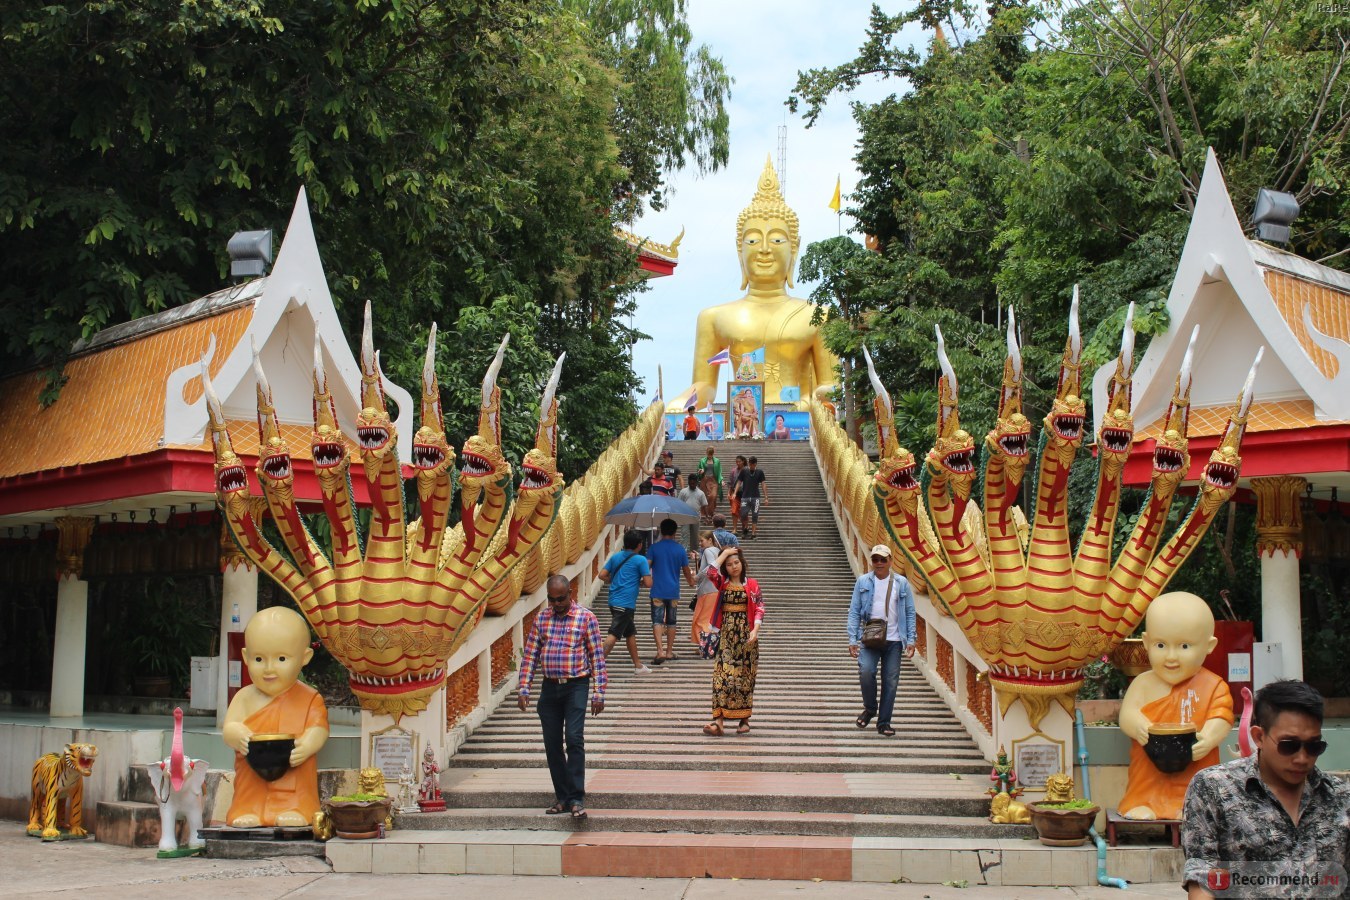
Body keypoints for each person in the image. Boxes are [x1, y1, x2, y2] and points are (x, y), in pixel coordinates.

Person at [669, 156, 838, 411]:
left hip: (797, 413)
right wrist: (682, 402)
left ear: (795, 250)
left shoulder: (818, 315)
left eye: (778, 240)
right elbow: (705, 385)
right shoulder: (714, 317)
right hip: (740, 411)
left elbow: (830, 385)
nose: (765, 249)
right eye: (752, 241)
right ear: (740, 252)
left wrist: (820, 395)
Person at [1181, 680, 1349, 899]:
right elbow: (1202, 879)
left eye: (1314, 746)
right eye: (1289, 745)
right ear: (1259, 737)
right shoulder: (1214, 788)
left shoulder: (1340, 797)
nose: (1302, 758)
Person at [1118, 591, 1234, 821]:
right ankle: (1142, 802)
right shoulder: (1142, 683)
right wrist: (1137, 725)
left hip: (1195, 760)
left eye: (1184, 647)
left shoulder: (1214, 685)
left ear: (1209, 646)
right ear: (1146, 642)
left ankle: (1193, 806)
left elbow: (1222, 716)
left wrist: (1209, 738)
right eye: (1160, 645)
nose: (1171, 657)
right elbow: (1127, 715)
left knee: (1198, 785)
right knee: (1145, 782)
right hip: (1150, 763)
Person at [222, 606, 329, 827]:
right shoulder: (244, 698)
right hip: (252, 771)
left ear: (305, 657)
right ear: (245, 656)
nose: (269, 669)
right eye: (259, 659)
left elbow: (318, 728)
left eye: (281, 659)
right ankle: (247, 810)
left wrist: (307, 745)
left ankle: (298, 808)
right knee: (248, 789)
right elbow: (229, 728)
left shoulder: (310, 698)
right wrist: (238, 734)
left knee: (298, 780)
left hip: (293, 770)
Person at [517, 575, 608, 820]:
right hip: (549, 687)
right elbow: (531, 655)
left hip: (576, 684)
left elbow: (597, 657)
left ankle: (577, 797)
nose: (557, 604)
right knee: (552, 744)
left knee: (574, 739)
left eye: (561, 598)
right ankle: (562, 797)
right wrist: (524, 687)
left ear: (571, 593)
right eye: (552, 599)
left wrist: (599, 692)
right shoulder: (542, 618)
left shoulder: (586, 617)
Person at [846, 545, 916, 737]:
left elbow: (910, 612)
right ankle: (870, 708)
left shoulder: (901, 583)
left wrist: (911, 639)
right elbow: (853, 611)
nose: (879, 563)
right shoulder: (863, 582)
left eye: (883, 559)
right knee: (866, 671)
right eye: (875, 559)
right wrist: (852, 639)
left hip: (894, 639)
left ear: (890, 561)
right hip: (870, 637)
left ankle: (884, 722)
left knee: (890, 682)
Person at [701, 545, 763, 736]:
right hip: (726, 636)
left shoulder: (751, 584)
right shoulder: (722, 582)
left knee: (745, 678)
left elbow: (759, 607)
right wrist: (725, 553)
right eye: (729, 564)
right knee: (721, 677)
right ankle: (718, 721)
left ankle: (744, 719)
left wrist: (755, 629)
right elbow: (709, 571)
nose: (734, 566)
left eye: (736, 562)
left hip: (746, 637)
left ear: (742, 563)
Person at [598, 530, 653, 675]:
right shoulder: (640, 560)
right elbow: (648, 583)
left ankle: (638, 665)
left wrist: (612, 580)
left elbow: (602, 575)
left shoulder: (616, 557)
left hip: (613, 599)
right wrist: (647, 575)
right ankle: (596, 665)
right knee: (614, 633)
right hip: (625, 602)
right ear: (640, 545)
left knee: (630, 633)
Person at [648, 518, 695, 664]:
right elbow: (686, 570)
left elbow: (645, 565)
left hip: (657, 590)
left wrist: (644, 579)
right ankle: (669, 651)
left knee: (657, 620)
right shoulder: (679, 549)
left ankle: (659, 651)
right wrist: (691, 582)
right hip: (673, 590)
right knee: (671, 621)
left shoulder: (654, 548)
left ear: (661, 531)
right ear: (675, 532)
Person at [689, 531, 722, 646]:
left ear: (710, 540)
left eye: (702, 540)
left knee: (701, 619)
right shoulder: (718, 551)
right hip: (716, 589)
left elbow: (711, 567)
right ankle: (708, 645)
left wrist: (696, 577)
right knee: (709, 619)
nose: (700, 543)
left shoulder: (708, 551)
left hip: (708, 590)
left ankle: (706, 646)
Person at [733, 455, 768, 539]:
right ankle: (746, 527)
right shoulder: (744, 471)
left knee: (755, 514)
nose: (751, 466)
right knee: (743, 514)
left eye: (753, 464)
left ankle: (753, 532)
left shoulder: (759, 472)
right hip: (745, 496)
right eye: (750, 464)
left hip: (756, 497)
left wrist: (766, 497)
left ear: (755, 464)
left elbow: (763, 484)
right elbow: (739, 482)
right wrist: (735, 492)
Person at [677, 476, 707, 551]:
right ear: (688, 482)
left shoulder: (701, 493)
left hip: (695, 516)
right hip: (685, 516)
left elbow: (704, 505)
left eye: (694, 482)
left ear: (697, 482)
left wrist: (706, 516)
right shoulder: (683, 492)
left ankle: (694, 551)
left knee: (695, 535)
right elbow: (678, 504)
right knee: (685, 534)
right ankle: (683, 550)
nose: (692, 483)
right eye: (691, 482)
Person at [696, 447, 723, 521]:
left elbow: (719, 471)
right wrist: (700, 471)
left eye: (711, 455)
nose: (709, 456)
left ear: (713, 453)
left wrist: (721, 480)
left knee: (713, 496)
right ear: (706, 453)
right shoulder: (702, 460)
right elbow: (698, 470)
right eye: (708, 454)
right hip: (704, 480)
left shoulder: (717, 461)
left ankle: (710, 512)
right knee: (704, 497)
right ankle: (704, 514)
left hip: (713, 480)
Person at [727, 455, 747, 523]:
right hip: (735, 493)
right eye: (736, 462)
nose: (738, 463)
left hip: (745, 493)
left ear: (743, 461)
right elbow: (730, 483)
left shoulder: (747, 470)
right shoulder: (733, 471)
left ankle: (744, 526)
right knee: (734, 510)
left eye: (739, 461)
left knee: (744, 510)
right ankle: (735, 528)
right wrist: (729, 493)